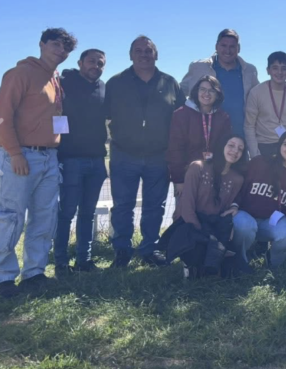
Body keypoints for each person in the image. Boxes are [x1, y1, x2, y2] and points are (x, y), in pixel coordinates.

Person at [0, 28, 77, 297]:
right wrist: (15, 153)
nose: (61, 50)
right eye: (56, 44)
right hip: (21, 155)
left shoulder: (54, 78)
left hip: (49, 156)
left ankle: (34, 273)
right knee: (10, 216)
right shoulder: (19, 74)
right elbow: (3, 117)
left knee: (44, 218)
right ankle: (4, 277)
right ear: (42, 44)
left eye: (65, 48)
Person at [105, 35, 185, 268]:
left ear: (156, 55)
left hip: (159, 156)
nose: (143, 54)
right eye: (138, 51)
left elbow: (180, 119)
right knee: (122, 205)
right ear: (130, 55)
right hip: (123, 154)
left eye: (148, 51)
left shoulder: (170, 83)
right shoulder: (116, 82)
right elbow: (104, 115)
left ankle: (149, 248)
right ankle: (122, 250)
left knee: (154, 206)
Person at [54, 49, 108, 275]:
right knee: (66, 213)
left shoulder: (104, 87)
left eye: (100, 62)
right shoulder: (64, 82)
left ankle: (84, 261)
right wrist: (60, 146)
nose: (96, 65)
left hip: (96, 160)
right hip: (71, 159)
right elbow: (57, 115)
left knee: (87, 213)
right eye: (91, 61)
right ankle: (61, 263)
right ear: (80, 63)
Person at [164, 135, 247, 277]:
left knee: (229, 270)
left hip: (213, 225)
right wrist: (204, 234)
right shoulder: (198, 167)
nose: (235, 151)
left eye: (240, 149)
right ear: (222, 146)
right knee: (197, 252)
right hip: (189, 223)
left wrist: (234, 208)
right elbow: (186, 206)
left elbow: (225, 209)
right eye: (231, 145)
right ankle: (190, 263)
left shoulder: (237, 179)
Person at [231, 130, 286, 270]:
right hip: (246, 216)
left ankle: (273, 261)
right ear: (279, 146)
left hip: (271, 223)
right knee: (244, 226)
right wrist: (234, 204)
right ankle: (240, 261)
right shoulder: (260, 162)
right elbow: (238, 184)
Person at [180, 29, 259, 137]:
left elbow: (259, 97)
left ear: (238, 48)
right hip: (205, 136)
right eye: (224, 45)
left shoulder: (249, 70)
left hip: (239, 137)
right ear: (216, 47)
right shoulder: (198, 67)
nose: (228, 50)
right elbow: (179, 93)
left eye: (232, 46)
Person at [167, 76, 232, 200]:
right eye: (202, 89)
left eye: (211, 90)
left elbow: (225, 149)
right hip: (186, 175)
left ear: (217, 94)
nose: (206, 94)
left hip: (213, 176)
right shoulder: (181, 114)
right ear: (196, 91)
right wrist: (178, 180)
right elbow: (175, 149)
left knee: (208, 215)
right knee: (184, 215)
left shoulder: (223, 117)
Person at [244, 51, 286, 158]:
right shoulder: (256, 92)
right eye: (275, 68)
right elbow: (249, 126)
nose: (279, 72)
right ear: (268, 70)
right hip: (265, 146)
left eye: (284, 68)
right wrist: (255, 155)